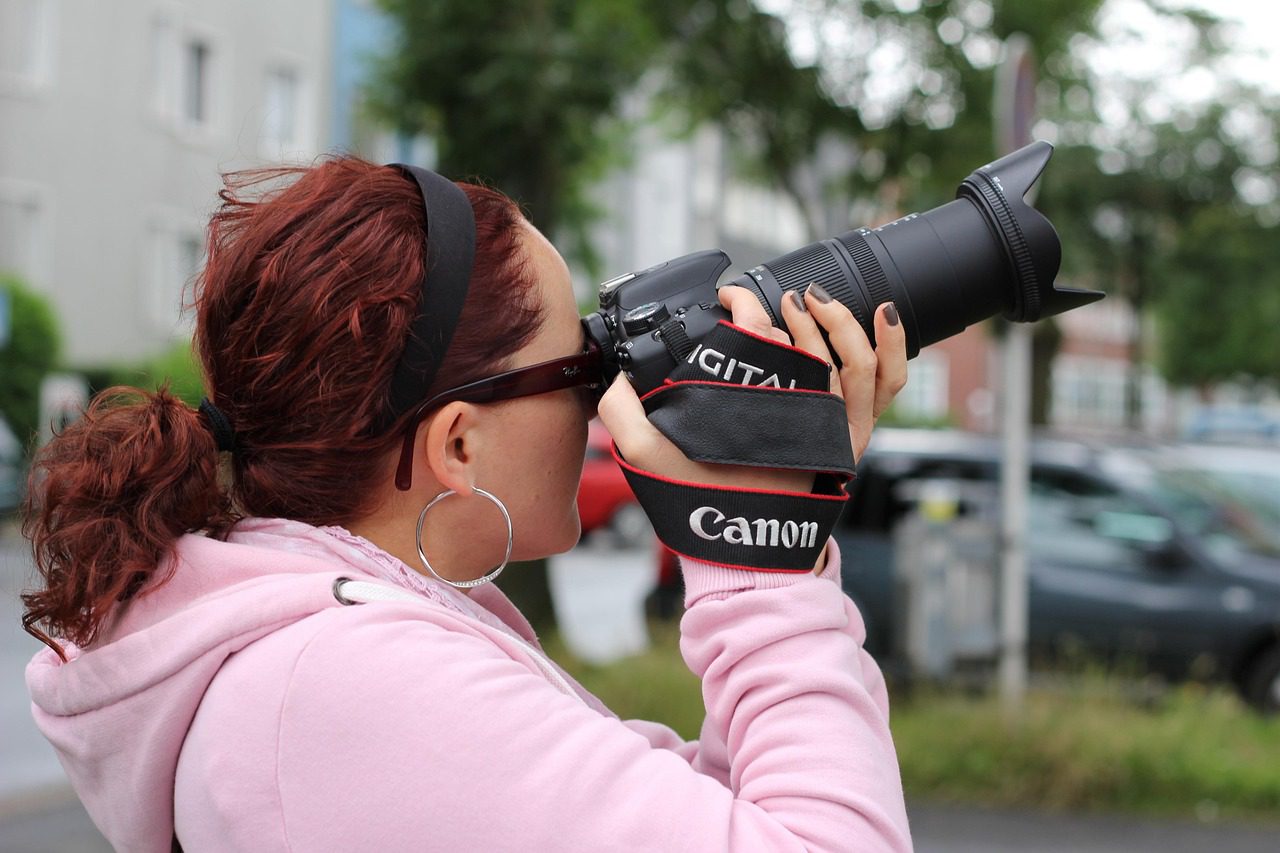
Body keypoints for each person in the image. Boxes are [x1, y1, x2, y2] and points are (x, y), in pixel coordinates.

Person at [22, 157, 913, 852]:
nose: (610, 400)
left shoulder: (338, 648)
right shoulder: (342, 681)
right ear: (457, 444)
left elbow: (712, 815)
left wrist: (780, 506)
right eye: (583, 369)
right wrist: (761, 567)